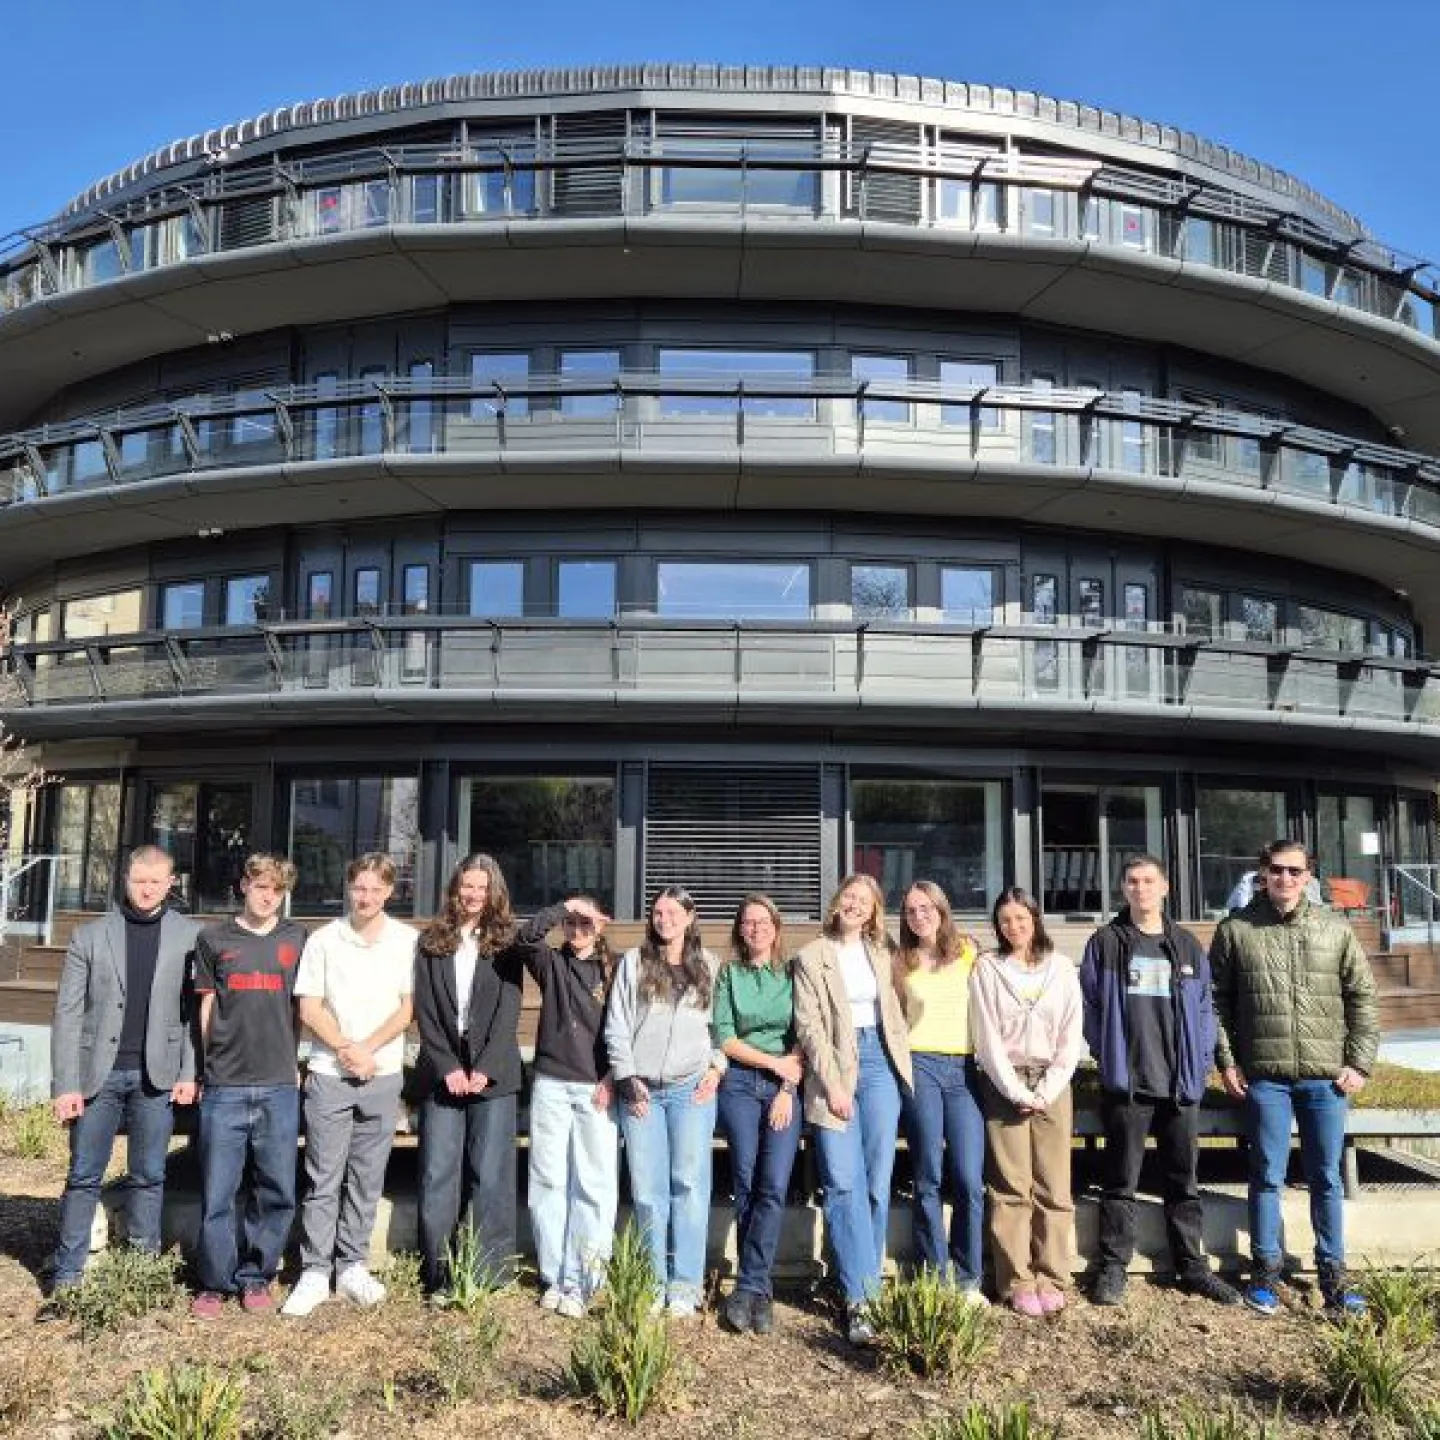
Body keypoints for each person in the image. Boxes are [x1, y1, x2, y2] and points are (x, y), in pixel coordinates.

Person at [1210, 837, 1379, 1317]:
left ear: (1308, 877)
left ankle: (1333, 1276)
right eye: (1276, 870)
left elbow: (1362, 998)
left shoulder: (1335, 929)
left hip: (1326, 1081)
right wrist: (1228, 1060)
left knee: (1325, 1177)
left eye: (1294, 871)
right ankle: (1263, 1273)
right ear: (1262, 874)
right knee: (1267, 1175)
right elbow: (1216, 1003)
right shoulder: (1236, 930)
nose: (1284, 879)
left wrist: (1359, 1062)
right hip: (1266, 1078)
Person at [1079, 854, 1239, 1308]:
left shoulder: (1187, 945)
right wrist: (1105, 1051)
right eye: (1132, 881)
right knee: (1120, 1183)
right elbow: (1089, 1004)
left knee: (1182, 1181)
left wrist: (1203, 1057)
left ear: (1165, 887)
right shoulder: (1105, 943)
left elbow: (1206, 1007)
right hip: (1128, 1084)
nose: (1140, 888)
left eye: (1149, 881)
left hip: (1179, 1085)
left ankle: (1191, 1267)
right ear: (1123, 889)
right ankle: (1113, 1268)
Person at [47, 845, 201, 1294]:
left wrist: (189, 1073)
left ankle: (139, 1272)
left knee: (149, 1174)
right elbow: (68, 1014)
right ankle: (68, 1272)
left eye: (156, 881)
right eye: (139, 880)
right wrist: (65, 1083)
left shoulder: (191, 936)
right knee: (83, 1176)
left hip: (158, 1078)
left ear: (170, 883)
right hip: (98, 1077)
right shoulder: (90, 936)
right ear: (125, 880)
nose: (147, 889)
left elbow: (195, 1013)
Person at [281, 853, 415, 1317]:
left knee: (366, 1175)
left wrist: (367, 1049)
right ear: (348, 888)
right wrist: (344, 1048)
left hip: (381, 1073)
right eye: (360, 887)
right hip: (328, 1073)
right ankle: (315, 1271)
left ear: (390, 892)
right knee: (323, 1175)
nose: (367, 897)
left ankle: (353, 1265)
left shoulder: (405, 941)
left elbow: (406, 1009)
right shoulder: (323, 940)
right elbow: (309, 1007)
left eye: (376, 889)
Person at [793, 873, 912, 1345]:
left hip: (882, 1064)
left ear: (875, 909)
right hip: (836, 1067)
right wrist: (835, 1081)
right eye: (849, 896)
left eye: (865, 900)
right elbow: (809, 1027)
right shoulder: (811, 956)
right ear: (836, 901)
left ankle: (861, 1284)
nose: (855, 905)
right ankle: (861, 1299)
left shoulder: (884, 954)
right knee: (844, 1182)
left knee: (877, 1183)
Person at [190, 853, 309, 1318]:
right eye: (260, 885)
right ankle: (213, 1283)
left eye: (277, 889)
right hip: (225, 1084)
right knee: (219, 1188)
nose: (268, 895)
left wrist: (294, 1062)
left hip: (279, 1082)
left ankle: (257, 1276)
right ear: (243, 885)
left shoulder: (297, 939)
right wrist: (208, 1068)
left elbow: (303, 1009)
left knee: (276, 1187)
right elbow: (205, 1010)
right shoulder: (213, 939)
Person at [604, 886, 724, 1318]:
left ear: (691, 917)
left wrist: (717, 1066)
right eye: (657, 912)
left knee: (689, 1185)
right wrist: (627, 1078)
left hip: (691, 1089)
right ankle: (653, 1282)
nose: (664, 919)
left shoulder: (709, 966)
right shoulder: (634, 964)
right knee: (648, 1189)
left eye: (673, 912)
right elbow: (616, 1026)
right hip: (642, 1095)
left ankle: (686, 1285)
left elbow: (722, 1027)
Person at [412, 853, 524, 1296]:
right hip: (444, 1070)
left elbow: (508, 1008)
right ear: (455, 888)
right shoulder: (431, 941)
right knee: (438, 1172)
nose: (474, 894)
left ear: (494, 891)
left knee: (490, 1174)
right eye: (467, 885)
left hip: (493, 1071)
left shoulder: (507, 942)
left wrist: (485, 1068)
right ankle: (438, 1275)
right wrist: (448, 1067)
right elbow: (425, 1010)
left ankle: (486, 1273)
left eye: (482, 887)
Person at [969, 886, 1082, 1318]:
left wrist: (1048, 1088)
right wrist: (1015, 1091)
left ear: (1034, 919)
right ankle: (1015, 1278)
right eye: (1004, 921)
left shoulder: (1061, 970)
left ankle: (1052, 1275)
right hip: (1006, 1084)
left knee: (1053, 1184)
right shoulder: (988, 970)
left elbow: (1072, 1035)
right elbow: (987, 1036)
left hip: (1053, 1083)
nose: (1013, 927)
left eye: (1020, 918)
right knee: (1010, 1186)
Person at [517, 892, 616, 1319]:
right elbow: (525, 938)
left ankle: (585, 1277)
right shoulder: (552, 964)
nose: (577, 931)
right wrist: (565, 906)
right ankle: (554, 1274)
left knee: (592, 1185)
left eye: (585, 924)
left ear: (600, 927)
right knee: (548, 1181)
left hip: (595, 1088)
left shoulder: (613, 971)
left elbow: (625, 1028)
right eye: (571, 924)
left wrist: (613, 1077)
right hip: (551, 1085)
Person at [714, 893, 804, 1335]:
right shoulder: (729, 975)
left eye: (762, 922)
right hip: (739, 1086)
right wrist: (772, 1064)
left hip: (784, 1091)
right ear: (739, 930)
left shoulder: (793, 974)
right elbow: (726, 1038)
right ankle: (758, 1290)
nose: (755, 929)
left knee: (773, 1185)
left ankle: (750, 1287)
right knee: (746, 1183)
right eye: (747, 923)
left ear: (776, 928)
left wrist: (787, 1086)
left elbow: (805, 1034)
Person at [893, 880, 986, 1302]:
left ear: (942, 909)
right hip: (921, 1066)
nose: (919, 916)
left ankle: (968, 1277)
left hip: (964, 1069)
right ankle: (935, 1272)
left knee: (968, 1177)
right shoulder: (900, 962)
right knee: (927, 1175)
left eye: (926, 907)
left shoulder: (969, 952)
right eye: (911, 910)